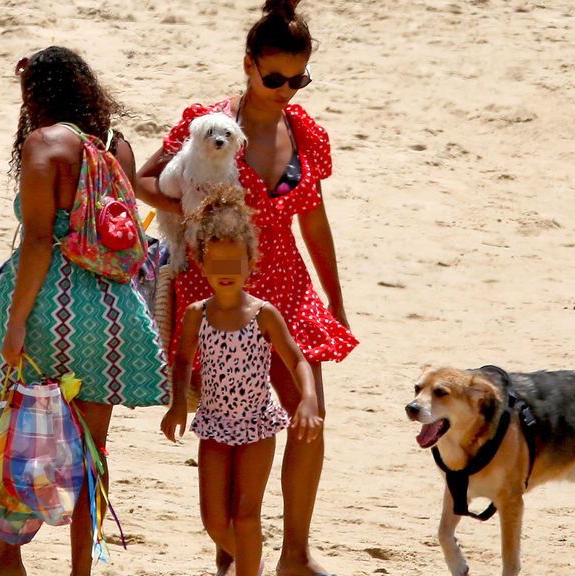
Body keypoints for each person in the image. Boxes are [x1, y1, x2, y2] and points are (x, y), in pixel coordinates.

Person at [135, 1, 357, 574]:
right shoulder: (207, 123)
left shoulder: (305, 133)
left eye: (298, 78)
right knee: (232, 425)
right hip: (220, 292)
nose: (286, 90)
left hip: (289, 286)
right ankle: (230, 554)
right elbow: (144, 181)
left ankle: (295, 554)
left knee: (309, 418)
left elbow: (314, 220)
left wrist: (335, 299)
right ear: (248, 65)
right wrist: (191, 209)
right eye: (275, 77)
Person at [0, 46, 167, 576]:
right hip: (108, 310)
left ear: (37, 97)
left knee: (4, 425)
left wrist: (18, 320)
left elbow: (37, 242)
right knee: (92, 451)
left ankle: (8, 560)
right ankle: (81, 573)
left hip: (47, 302)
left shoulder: (44, 143)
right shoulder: (115, 148)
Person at [161, 185, 323, 576]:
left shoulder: (264, 314)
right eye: (216, 264)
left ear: (251, 263)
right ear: (200, 263)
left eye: (234, 264)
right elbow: (182, 360)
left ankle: (248, 568)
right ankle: (253, 562)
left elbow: (297, 359)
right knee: (215, 520)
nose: (225, 274)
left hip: (256, 425)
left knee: (247, 516)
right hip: (214, 424)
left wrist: (308, 400)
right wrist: (178, 404)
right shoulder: (196, 315)